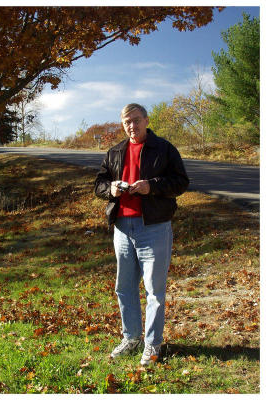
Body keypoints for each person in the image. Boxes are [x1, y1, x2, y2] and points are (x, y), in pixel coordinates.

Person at [94, 103, 189, 365]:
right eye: (127, 122)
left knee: (154, 290)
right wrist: (111, 189)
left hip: (154, 227)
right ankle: (131, 337)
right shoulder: (115, 152)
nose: (132, 126)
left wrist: (152, 186)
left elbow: (181, 182)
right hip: (123, 228)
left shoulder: (164, 148)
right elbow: (98, 184)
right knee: (124, 287)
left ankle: (152, 344)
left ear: (146, 120)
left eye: (136, 120)